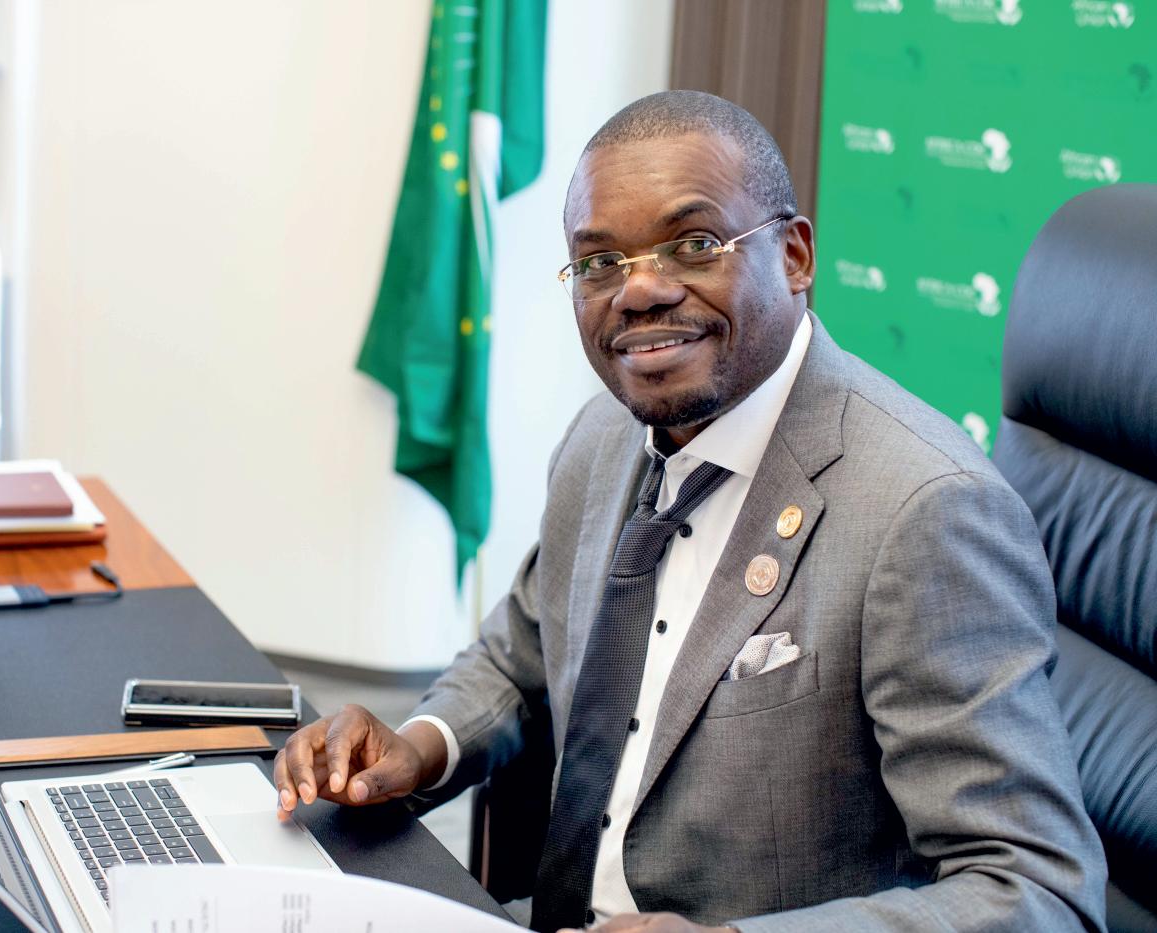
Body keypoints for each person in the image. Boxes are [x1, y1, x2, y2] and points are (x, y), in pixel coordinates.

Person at [274, 91, 1106, 932]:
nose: (638, 290)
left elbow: (1035, 889)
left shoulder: (925, 510)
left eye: (695, 244)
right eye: (600, 262)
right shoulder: (603, 435)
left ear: (794, 255)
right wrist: (419, 745)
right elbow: (522, 651)